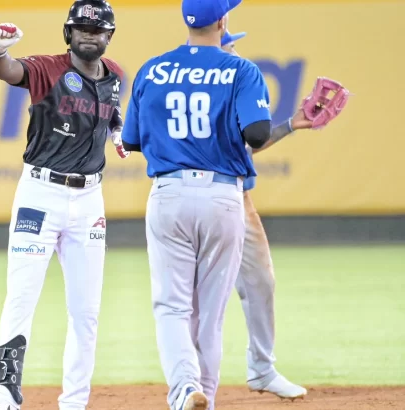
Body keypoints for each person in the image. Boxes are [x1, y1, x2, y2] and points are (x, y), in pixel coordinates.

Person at [121, 0, 273, 408]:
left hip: (168, 195)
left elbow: (131, 140)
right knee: (211, 312)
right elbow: (258, 134)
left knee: (172, 307)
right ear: (222, 20)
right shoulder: (240, 69)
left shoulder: (153, 69)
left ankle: (185, 389)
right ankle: (202, 391)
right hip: (223, 196)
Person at [0, 1, 128, 409]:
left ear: (109, 36)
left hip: (89, 199)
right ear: (68, 33)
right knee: (21, 296)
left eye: (97, 30)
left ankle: (75, 401)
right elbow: (9, 71)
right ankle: (6, 393)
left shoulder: (114, 76)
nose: (89, 34)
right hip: (40, 194)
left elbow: (112, 112)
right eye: (81, 27)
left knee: (87, 311)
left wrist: (117, 131)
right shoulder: (48, 68)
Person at [218, 30, 309, 401]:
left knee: (261, 283)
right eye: (231, 44)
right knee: (197, 295)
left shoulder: (238, 85)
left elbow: (251, 140)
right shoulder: (217, 85)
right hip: (205, 195)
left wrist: (291, 124)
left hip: (240, 196)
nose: (237, 49)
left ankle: (262, 369)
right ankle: (188, 379)